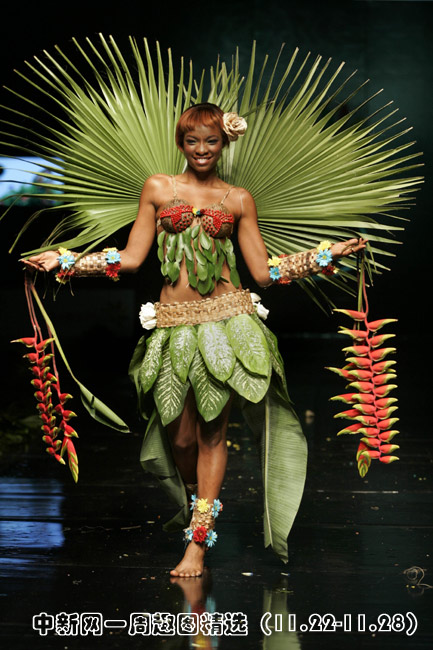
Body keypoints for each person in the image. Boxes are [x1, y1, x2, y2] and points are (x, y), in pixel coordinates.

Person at [22, 103, 366, 578]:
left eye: (211, 141)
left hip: (229, 324)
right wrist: (66, 262)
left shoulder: (238, 198)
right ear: (181, 143)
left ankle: (198, 544)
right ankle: (199, 499)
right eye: (192, 141)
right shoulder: (158, 188)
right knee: (181, 438)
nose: (202, 150)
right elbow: (131, 259)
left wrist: (326, 255)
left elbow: (263, 273)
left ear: (224, 144)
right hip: (173, 327)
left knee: (212, 434)